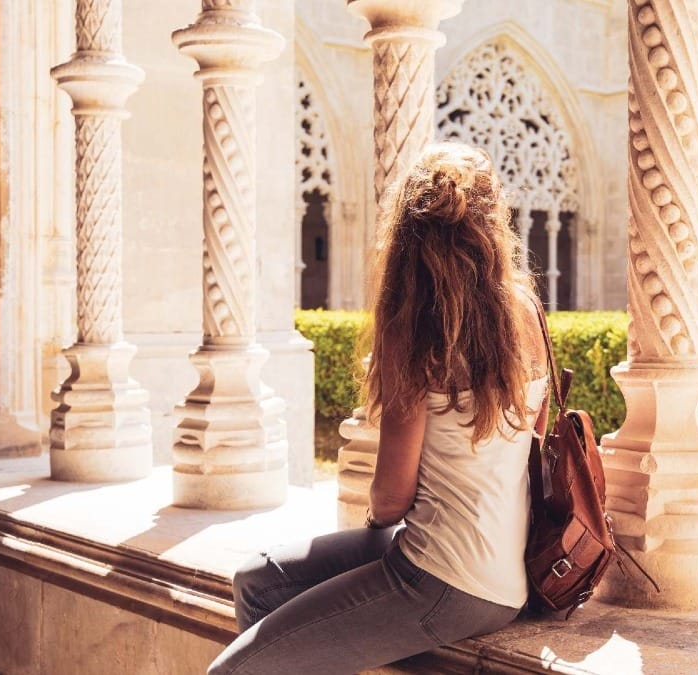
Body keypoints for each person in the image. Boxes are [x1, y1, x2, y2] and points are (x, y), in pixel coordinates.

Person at [207, 142, 551, 675]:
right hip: (509, 573)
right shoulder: (525, 312)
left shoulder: (415, 332)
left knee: (230, 672)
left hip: (442, 582)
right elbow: (536, 434)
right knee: (258, 578)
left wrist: (376, 523)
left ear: (407, 239)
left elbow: (391, 496)